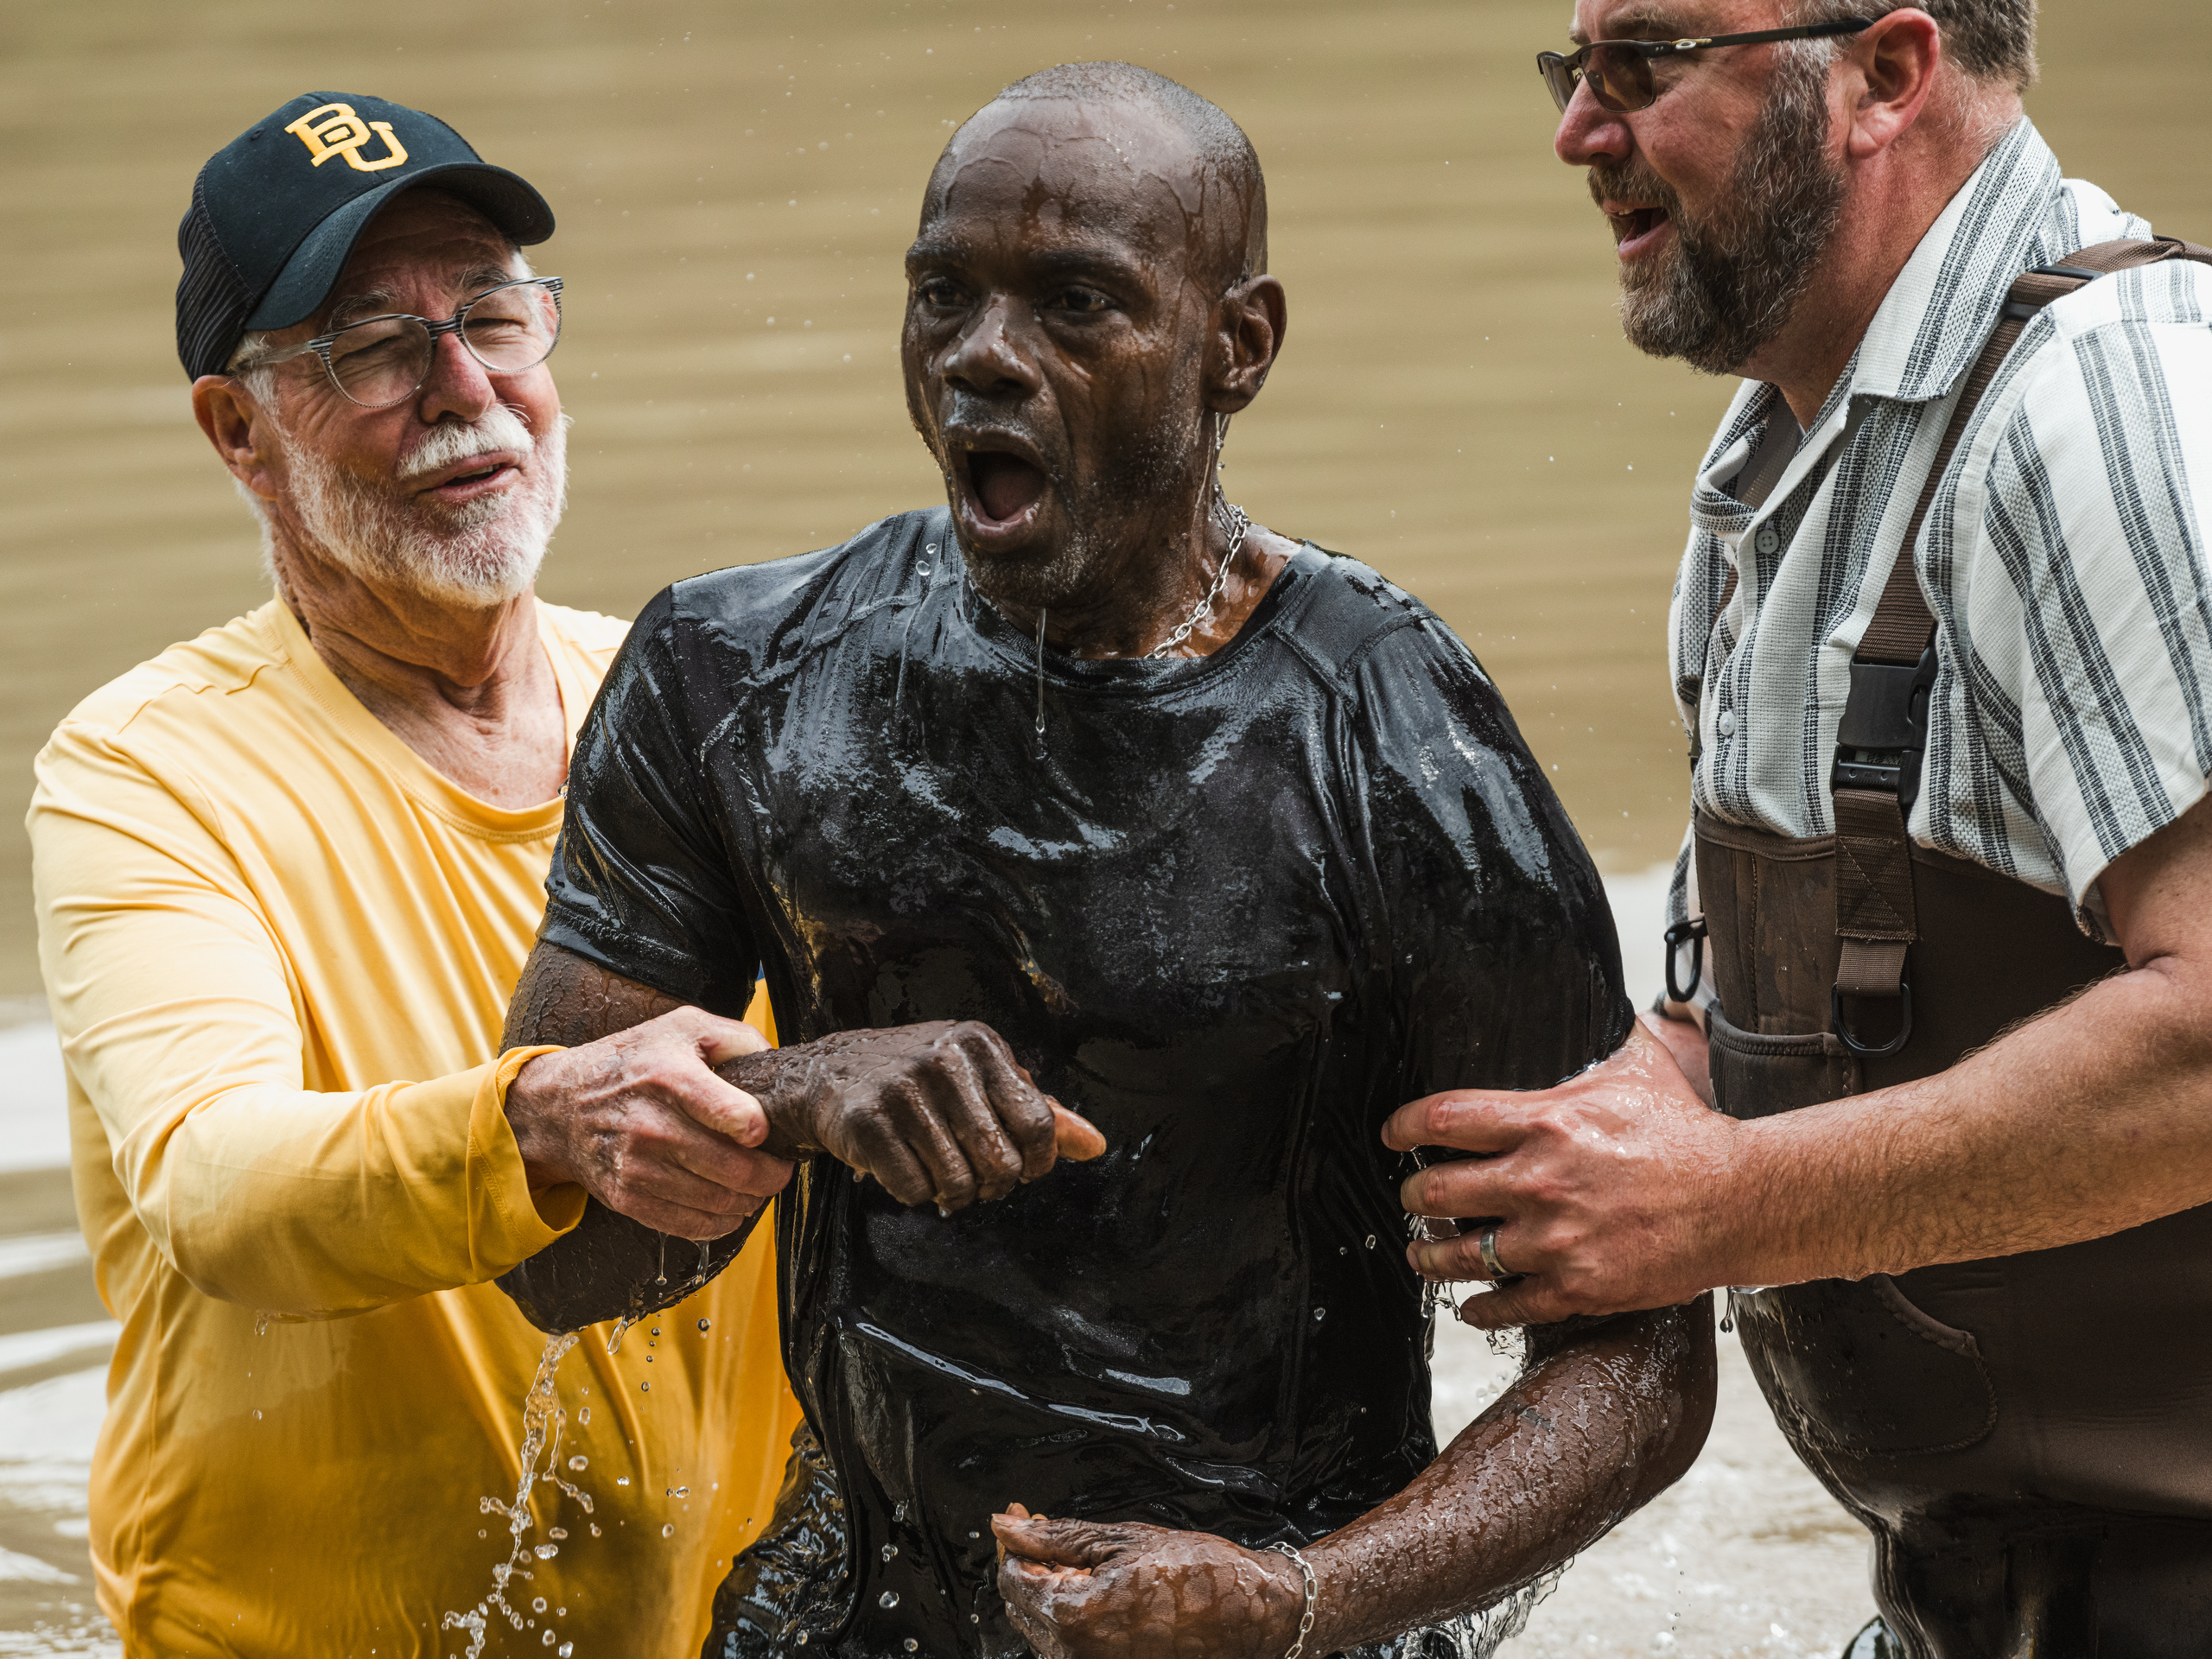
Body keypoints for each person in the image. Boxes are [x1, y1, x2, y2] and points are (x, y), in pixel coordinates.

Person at [490, 61, 1716, 1659]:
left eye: (1076, 304)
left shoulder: (1392, 740)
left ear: (1239, 347)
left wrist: (1302, 1599)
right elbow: (556, 1256)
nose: (985, 359)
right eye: (946, 297)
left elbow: (1638, 1360)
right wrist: (792, 1093)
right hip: (857, 1603)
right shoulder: (736, 676)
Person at [1389, 2, 2212, 1649]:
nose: (1579, 132)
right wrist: (1524, 1135)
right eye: (1575, 72)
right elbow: (1766, 1015)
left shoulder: (2119, 402)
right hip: (1996, 1590)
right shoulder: (1783, 446)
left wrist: (1720, 1206)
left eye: (1644, 66)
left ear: (1885, 76)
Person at [29, 92, 799, 1656]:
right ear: (239, 432)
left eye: (494, 316)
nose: (469, 391)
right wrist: (543, 1115)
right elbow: (214, 1181)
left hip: (752, 1625)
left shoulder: (713, 701)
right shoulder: (143, 774)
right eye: (375, 347)